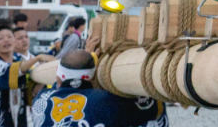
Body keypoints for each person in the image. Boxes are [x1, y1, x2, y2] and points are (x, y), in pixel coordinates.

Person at [32, 46, 167, 127]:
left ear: (58, 78)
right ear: (93, 77)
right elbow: (154, 109)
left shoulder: (42, 98)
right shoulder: (107, 101)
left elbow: (61, 84)